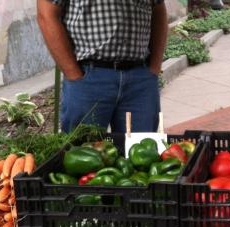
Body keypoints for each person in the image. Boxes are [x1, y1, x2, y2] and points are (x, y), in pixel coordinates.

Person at [37, 0, 169, 133]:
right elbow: (46, 14)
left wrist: (154, 67)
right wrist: (73, 73)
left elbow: (158, 10)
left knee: (141, 148)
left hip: (139, 81)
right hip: (88, 78)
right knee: (83, 148)